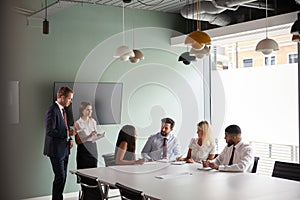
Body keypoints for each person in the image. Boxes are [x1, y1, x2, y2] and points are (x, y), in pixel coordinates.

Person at [43, 86, 75, 200]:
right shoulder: (52, 110)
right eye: (69, 99)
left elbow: (64, 128)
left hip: (65, 149)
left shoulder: (63, 111)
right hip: (56, 150)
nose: (70, 102)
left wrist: (69, 139)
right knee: (60, 177)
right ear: (62, 97)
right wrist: (67, 134)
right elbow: (50, 131)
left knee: (63, 176)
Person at [74, 102, 104, 200]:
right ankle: (87, 196)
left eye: (91, 109)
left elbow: (93, 137)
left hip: (93, 149)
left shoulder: (93, 121)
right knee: (84, 175)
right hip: (83, 151)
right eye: (87, 109)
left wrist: (98, 136)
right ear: (82, 111)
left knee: (93, 175)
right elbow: (78, 141)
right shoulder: (77, 123)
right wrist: (89, 136)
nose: (90, 111)